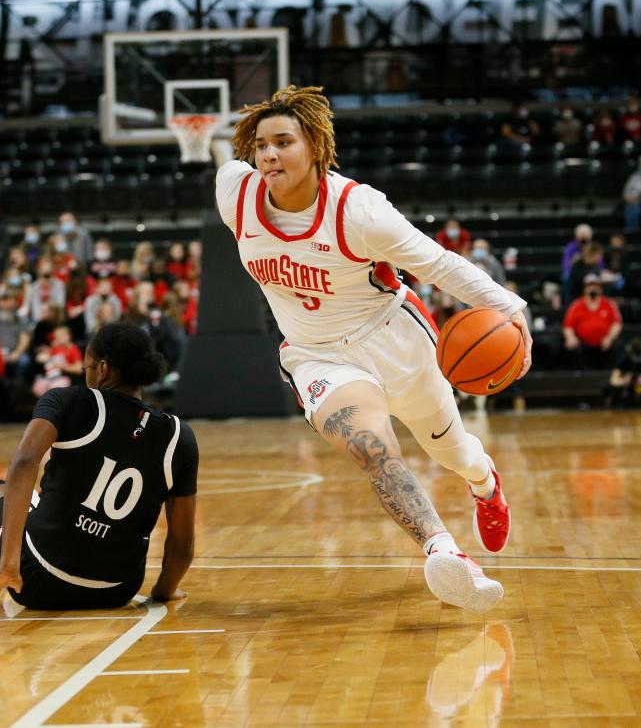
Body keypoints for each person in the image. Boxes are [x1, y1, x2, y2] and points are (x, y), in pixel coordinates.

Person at [217, 85, 532, 612]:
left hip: (393, 339)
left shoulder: (358, 211)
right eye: (261, 145)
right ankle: (446, 553)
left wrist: (514, 315)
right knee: (372, 447)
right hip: (318, 356)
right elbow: (230, 168)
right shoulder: (235, 193)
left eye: (283, 142)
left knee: (452, 453)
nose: (269, 154)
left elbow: (440, 265)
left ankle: (484, 482)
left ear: (315, 144)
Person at [0, 323, 197, 610]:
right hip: (117, 590)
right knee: (36, 499)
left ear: (102, 369)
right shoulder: (179, 436)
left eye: (87, 368)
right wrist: (165, 590)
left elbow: (25, 461)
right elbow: (181, 543)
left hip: (37, 581)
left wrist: (10, 565)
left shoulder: (69, 400)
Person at [562, 274, 622, 369]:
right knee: (570, 349)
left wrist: (610, 338)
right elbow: (568, 326)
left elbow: (616, 323)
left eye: (596, 286)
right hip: (583, 345)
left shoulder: (609, 304)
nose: (593, 288)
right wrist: (571, 337)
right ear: (585, 288)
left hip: (605, 344)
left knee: (618, 347)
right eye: (590, 286)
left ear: (600, 288)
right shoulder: (576, 305)